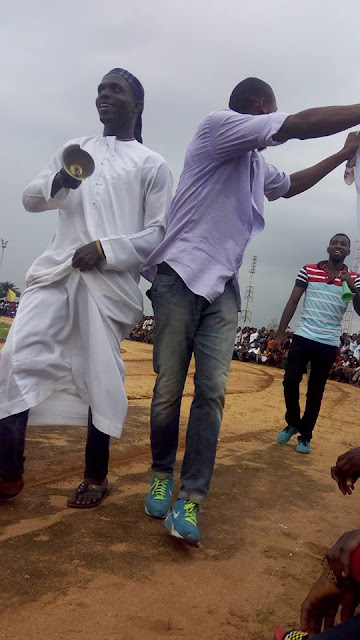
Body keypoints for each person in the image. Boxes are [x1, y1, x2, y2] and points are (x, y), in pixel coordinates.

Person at [142, 76, 360, 545]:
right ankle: (162, 472)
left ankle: (190, 499)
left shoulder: (256, 165)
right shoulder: (216, 129)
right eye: (273, 112)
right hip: (178, 275)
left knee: (212, 391)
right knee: (167, 389)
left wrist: (342, 155)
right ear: (261, 108)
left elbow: (294, 185)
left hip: (222, 286)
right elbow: (298, 126)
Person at [0, 68, 172, 506]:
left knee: (99, 374)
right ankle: (7, 472)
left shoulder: (151, 163)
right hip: (55, 272)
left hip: (107, 285)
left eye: (115, 89)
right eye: (100, 89)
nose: (103, 95)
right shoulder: (74, 151)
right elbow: (30, 200)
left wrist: (106, 249)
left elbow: (159, 233)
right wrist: (60, 182)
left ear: (138, 104)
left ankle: (96, 476)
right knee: (16, 356)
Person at [276, 234, 360, 454]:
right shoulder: (309, 270)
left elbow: (359, 309)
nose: (338, 246)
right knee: (290, 380)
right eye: (335, 243)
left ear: (349, 252)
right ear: (328, 248)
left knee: (316, 391)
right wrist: (280, 334)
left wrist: (351, 285)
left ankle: (305, 436)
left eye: (343, 244)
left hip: (329, 341)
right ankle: (293, 422)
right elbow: (293, 300)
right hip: (304, 335)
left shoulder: (353, 277)